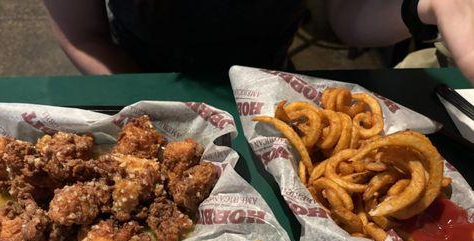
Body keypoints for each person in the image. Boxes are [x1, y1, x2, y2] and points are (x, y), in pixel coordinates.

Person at [43, 0, 474, 83]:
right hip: (133, 78)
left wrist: (428, 6)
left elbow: (346, 19)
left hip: (267, 83)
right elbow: (83, 35)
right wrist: (148, 108)